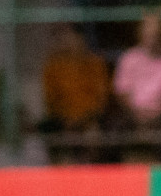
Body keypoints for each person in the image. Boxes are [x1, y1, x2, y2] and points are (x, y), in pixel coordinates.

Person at [113, 12, 161, 149]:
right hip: (133, 113)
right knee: (113, 131)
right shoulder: (129, 58)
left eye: (156, 35)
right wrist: (137, 113)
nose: (152, 39)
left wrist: (160, 110)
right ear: (140, 35)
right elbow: (121, 91)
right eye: (149, 35)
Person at [40, 26, 110, 160]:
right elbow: (51, 101)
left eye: (74, 38)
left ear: (82, 40)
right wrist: (66, 121)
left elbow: (101, 100)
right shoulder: (53, 67)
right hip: (63, 121)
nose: (71, 42)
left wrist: (84, 120)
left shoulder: (95, 63)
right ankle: (63, 170)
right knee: (59, 136)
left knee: (93, 136)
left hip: (89, 120)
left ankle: (91, 169)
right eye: (66, 38)